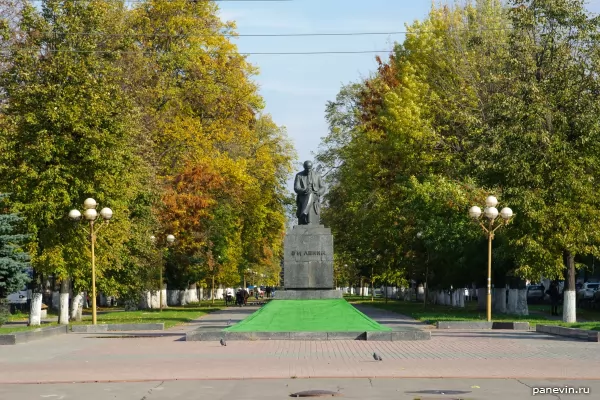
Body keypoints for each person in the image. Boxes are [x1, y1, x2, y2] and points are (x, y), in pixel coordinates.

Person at [293, 160, 326, 225]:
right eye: (307, 169)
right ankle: (307, 217)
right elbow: (296, 188)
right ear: (304, 167)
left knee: (311, 194)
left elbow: (323, 187)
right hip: (303, 195)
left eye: (310, 169)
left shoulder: (317, 175)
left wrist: (318, 192)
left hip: (315, 194)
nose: (308, 170)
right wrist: (304, 190)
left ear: (312, 167)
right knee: (309, 195)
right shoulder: (299, 175)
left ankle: (304, 213)